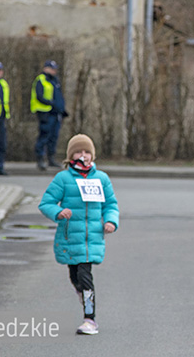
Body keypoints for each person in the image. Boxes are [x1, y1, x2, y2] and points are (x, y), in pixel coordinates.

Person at [38, 134, 119, 336]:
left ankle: (90, 320)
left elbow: (111, 205)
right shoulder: (63, 179)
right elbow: (46, 203)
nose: (83, 156)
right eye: (78, 152)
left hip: (91, 239)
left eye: (87, 152)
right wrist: (58, 212)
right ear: (70, 156)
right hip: (69, 238)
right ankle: (83, 295)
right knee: (75, 276)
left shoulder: (101, 178)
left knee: (85, 275)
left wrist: (110, 221)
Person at [31, 60, 67, 170]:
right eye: (51, 68)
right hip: (45, 113)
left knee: (53, 137)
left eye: (55, 69)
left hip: (55, 113)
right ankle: (40, 159)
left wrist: (61, 109)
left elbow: (58, 96)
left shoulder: (55, 80)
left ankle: (51, 158)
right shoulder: (41, 80)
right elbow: (40, 97)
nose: (53, 71)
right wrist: (52, 104)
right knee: (44, 136)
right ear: (45, 68)